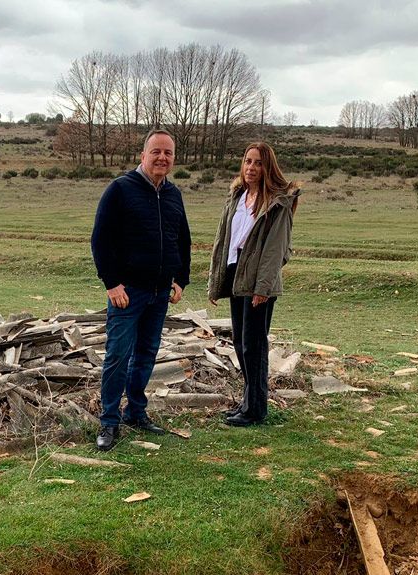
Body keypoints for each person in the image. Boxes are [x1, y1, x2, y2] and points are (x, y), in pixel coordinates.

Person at [90, 129, 191, 451]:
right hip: (128, 292)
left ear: (173, 159)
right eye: (156, 151)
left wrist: (180, 279)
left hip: (160, 292)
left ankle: (135, 412)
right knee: (118, 356)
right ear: (142, 155)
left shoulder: (174, 194)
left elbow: (183, 240)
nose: (162, 158)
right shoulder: (120, 190)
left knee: (146, 355)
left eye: (168, 153)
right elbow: (100, 240)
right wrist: (111, 284)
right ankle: (108, 422)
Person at [207, 142, 300, 427]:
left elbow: (275, 249)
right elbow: (224, 240)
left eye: (258, 163)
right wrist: (216, 281)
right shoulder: (237, 196)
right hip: (237, 273)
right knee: (239, 342)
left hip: (259, 279)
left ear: (268, 167)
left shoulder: (276, 203)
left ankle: (256, 409)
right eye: (248, 161)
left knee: (254, 345)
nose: (251, 168)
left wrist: (263, 287)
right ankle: (248, 402)